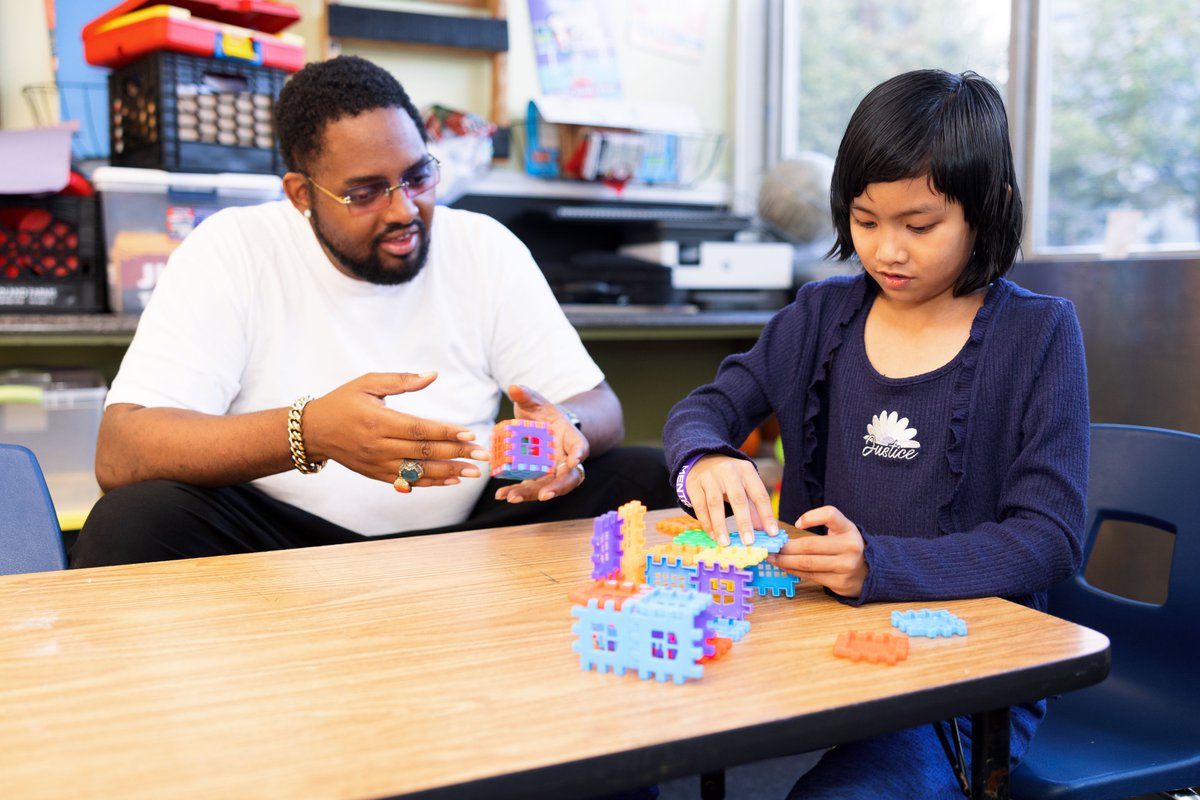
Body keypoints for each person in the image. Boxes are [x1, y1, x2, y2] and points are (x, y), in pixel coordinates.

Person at [663, 69, 1088, 798]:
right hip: (815, 649)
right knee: (627, 744)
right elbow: (703, 409)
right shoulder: (821, 315)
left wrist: (878, 567)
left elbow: (1048, 538)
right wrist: (703, 457)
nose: (888, 250)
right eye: (865, 220)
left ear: (989, 210)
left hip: (962, 683)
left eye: (919, 226)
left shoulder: (1038, 333)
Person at [71, 55, 674, 568]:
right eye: (364, 193)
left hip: (468, 541)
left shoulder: (484, 245)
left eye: (417, 177)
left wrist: (563, 425)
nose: (403, 211)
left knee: (645, 477)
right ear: (301, 194)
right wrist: (310, 432)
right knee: (134, 520)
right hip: (280, 549)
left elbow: (600, 409)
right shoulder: (233, 247)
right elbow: (121, 451)